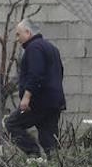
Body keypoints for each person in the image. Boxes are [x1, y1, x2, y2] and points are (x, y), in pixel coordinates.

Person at [6, 20, 65, 157]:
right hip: (54, 102)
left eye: (18, 34)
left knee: (11, 124)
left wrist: (26, 97)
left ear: (28, 32)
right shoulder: (51, 48)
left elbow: (36, 74)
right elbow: (60, 72)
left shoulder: (33, 48)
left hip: (38, 103)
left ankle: (33, 154)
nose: (17, 39)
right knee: (49, 141)